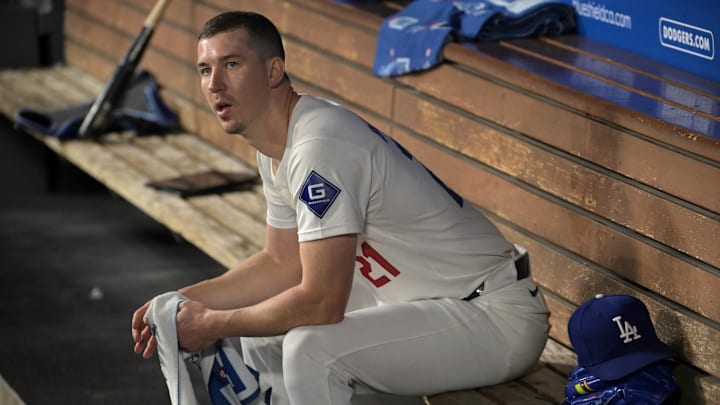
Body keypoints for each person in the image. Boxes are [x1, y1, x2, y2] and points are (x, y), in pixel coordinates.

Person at [131, 10, 550, 405]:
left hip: (493, 317)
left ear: (273, 71)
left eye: (232, 65)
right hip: (429, 302)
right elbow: (282, 263)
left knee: (309, 348)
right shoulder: (277, 144)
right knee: (267, 328)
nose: (214, 84)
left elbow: (322, 302)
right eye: (205, 70)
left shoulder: (319, 146)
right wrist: (178, 301)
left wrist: (213, 324)